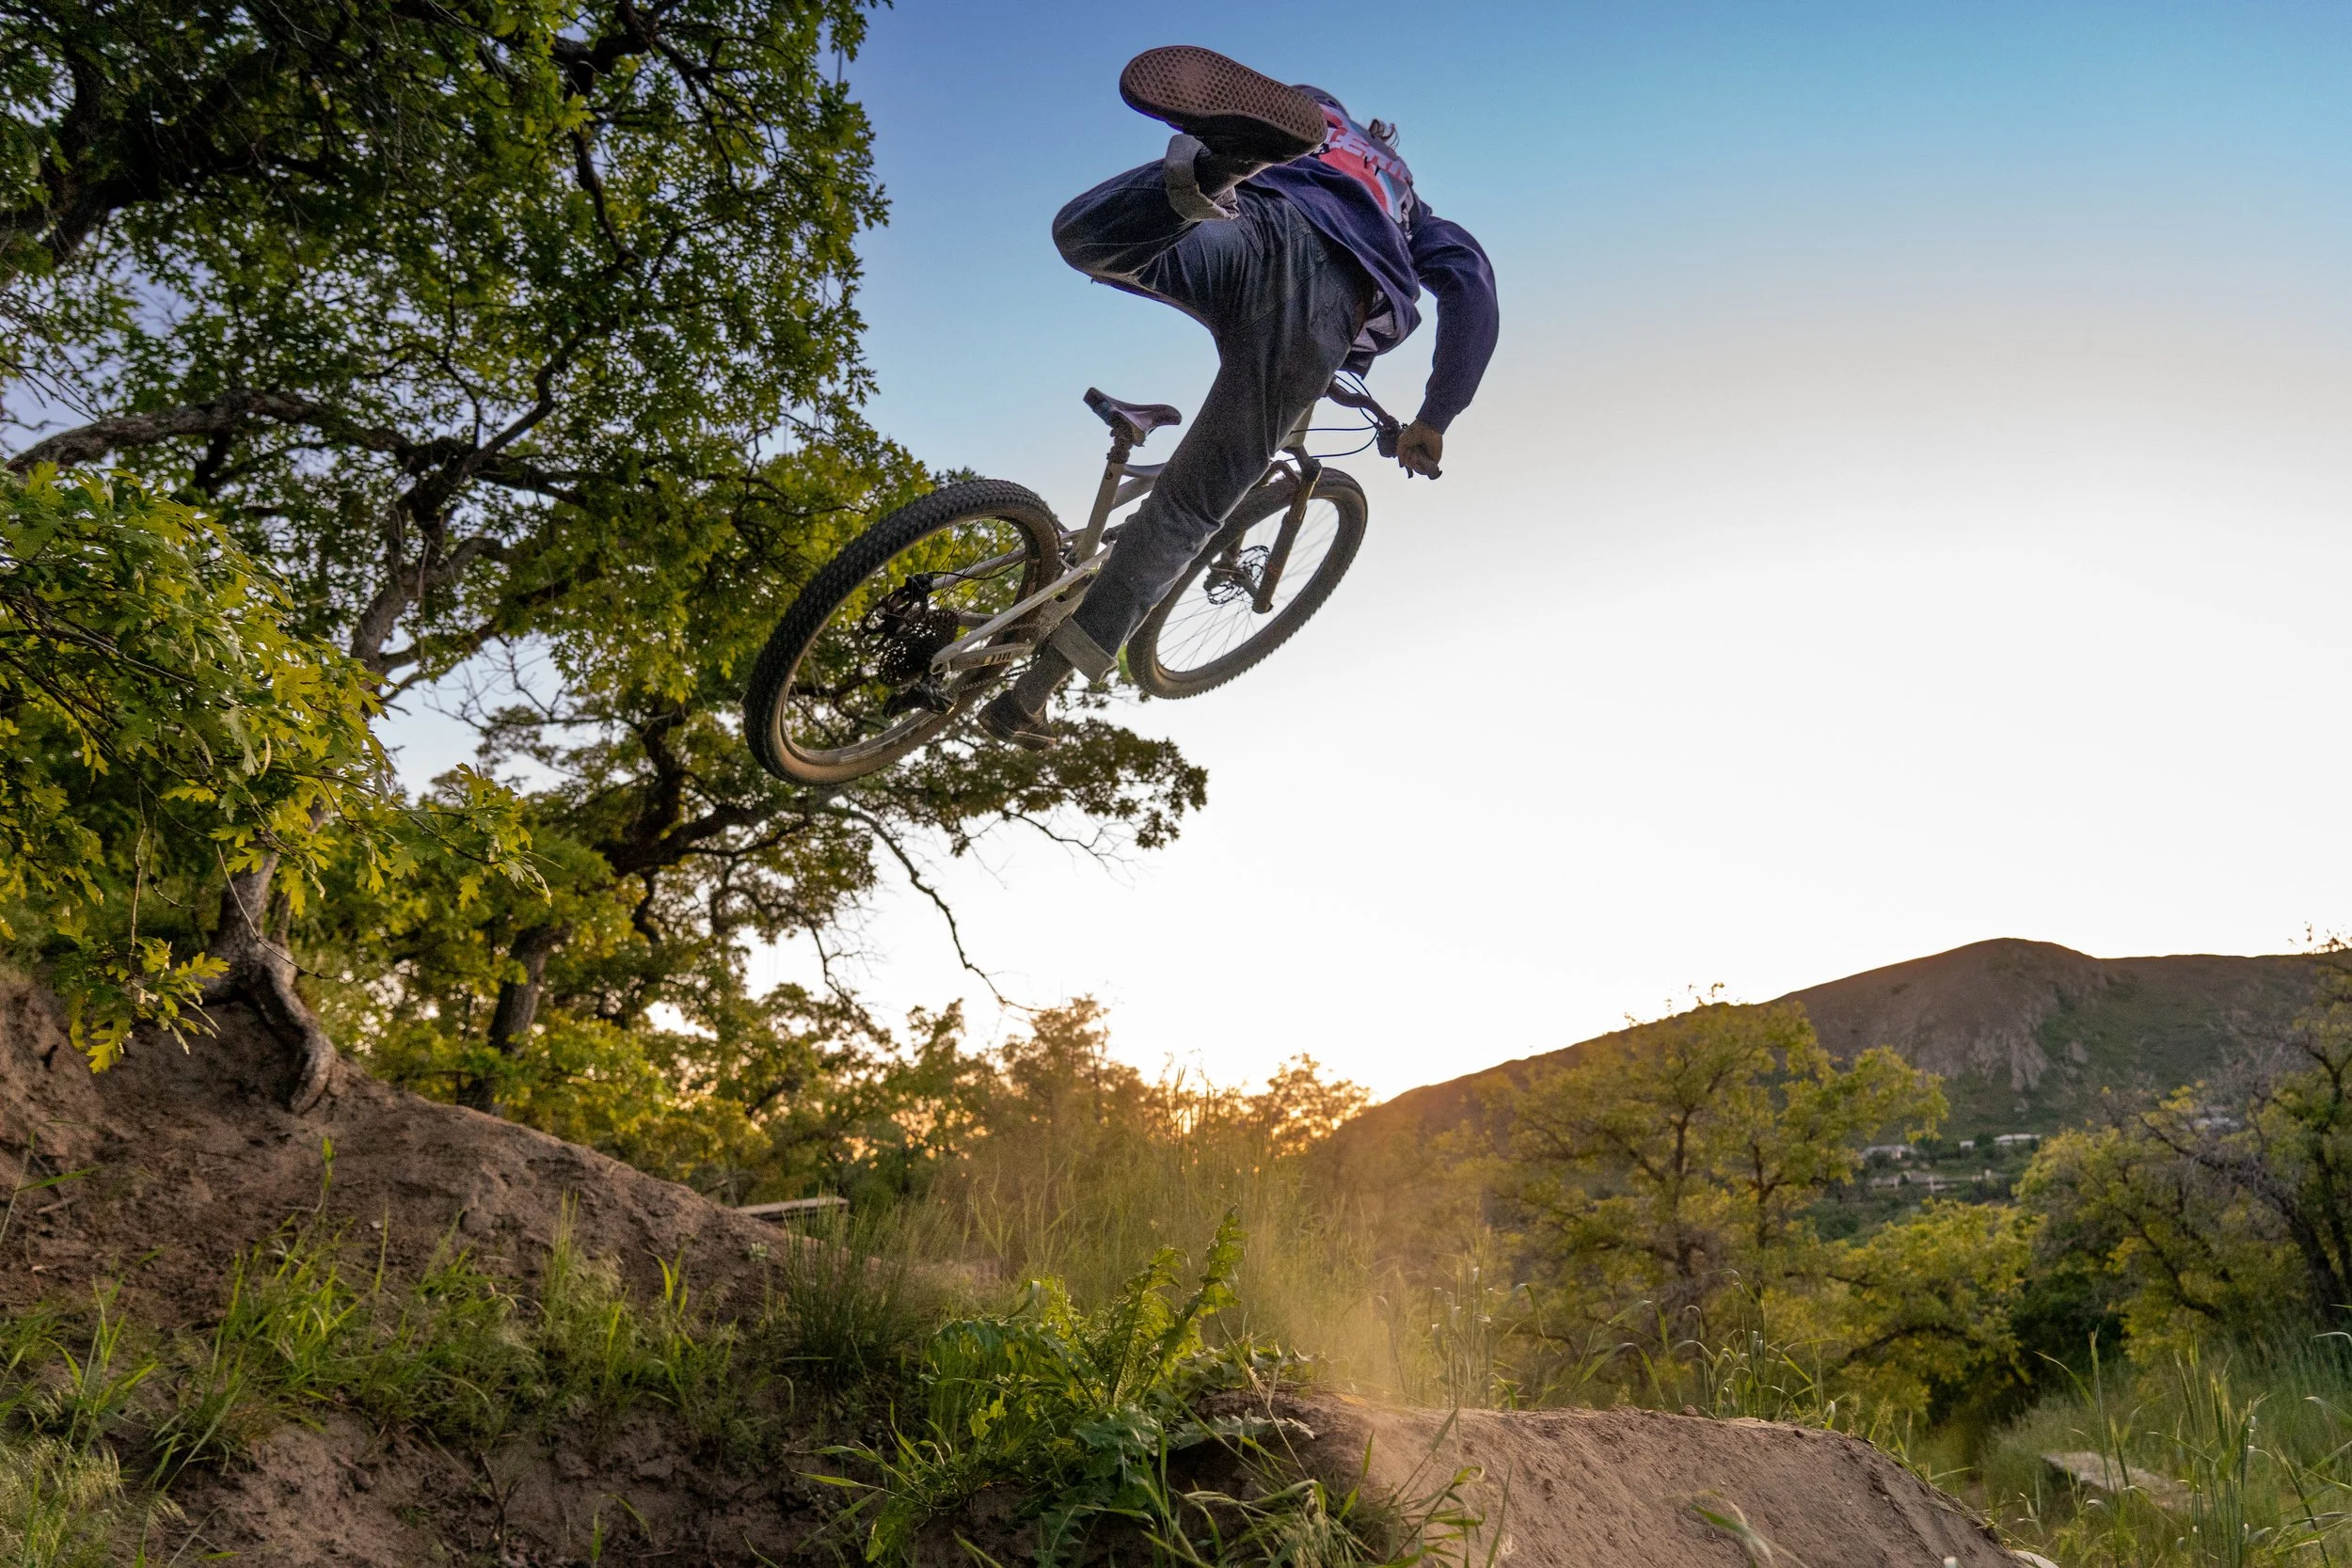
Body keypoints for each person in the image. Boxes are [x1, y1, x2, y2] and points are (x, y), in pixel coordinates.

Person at [977, 45, 1500, 750]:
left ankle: (1217, 166)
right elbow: (1470, 284)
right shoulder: (1412, 216)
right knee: (1190, 506)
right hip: (1328, 299)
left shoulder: (1322, 124)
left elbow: (1282, 104)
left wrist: (1247, 150)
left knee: (1095, 239)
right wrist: (1436, 417)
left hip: (1246, 225)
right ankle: (1030, 697)